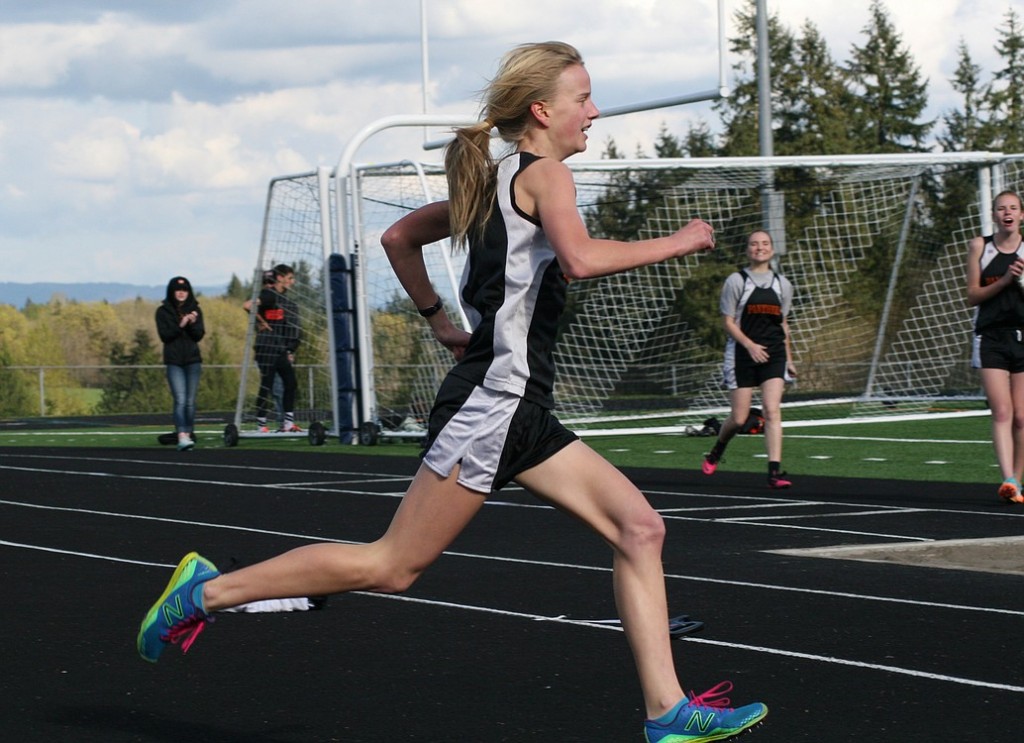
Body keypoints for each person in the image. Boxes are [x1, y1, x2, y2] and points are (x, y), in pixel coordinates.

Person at [136, 42, 767, 742]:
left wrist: (441, 320)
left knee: (641, 527)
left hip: (518, 405)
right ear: (542, 110)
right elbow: (581, 260)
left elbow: (399, 236)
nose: (594, 111)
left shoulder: (492, 178)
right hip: (494, 404)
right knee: (393, 565)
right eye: (582, 98)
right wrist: (678, 241)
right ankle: (203, 593)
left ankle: (666, 710)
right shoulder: (547, 176)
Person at [701, 230, 796, 489]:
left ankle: (774, 473)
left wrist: (788, 359)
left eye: (765, 243)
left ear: (772, 250)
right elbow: (728, 322)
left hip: (774, 354)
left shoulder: (783, 284)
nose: (759, 248)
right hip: (743, 355)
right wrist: (750, 345)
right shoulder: (736, 281)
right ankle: (717, 450)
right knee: (740, 418)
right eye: (754, 244)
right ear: (748, 250)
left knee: (771, 410)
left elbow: (782, 323)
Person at [967, 189, 1024, 503]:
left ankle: (1019, 483)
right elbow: (972, 296)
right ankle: (1008, 479)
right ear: (994, 215)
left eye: (1013, 208)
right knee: (1002, 411)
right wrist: (1004, 280)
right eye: (1002, 208)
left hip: (1022, 336)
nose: (1008, 213)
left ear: (1021, 215)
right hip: (990, 337)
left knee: (1022, 416)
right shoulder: (980, 246)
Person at [155, 276, 205, 451]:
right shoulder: (163, 312)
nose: (181, 293)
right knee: (181, 400)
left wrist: (191, 324)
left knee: (190, 402)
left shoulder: (196, 310)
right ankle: (181, 435)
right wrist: (181, 324)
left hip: (193, 361)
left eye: (184, 290)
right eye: (178, 290)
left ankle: (189, 433)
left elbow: (199, 335)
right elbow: (165, 336)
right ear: (172, 292)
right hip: (174, 361)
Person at [252, 264, 302, 433]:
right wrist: (261, 321)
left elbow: (291, 328)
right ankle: (261, 424)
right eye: (290, 278)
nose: (292, 282)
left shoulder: (285, 301)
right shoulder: (269, 294)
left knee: (291, 383)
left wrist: (289, 349)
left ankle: (288, 423)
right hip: (265, 348)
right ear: (279, 278)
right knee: (267, 385)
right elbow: (248, 305)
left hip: (279, 349)